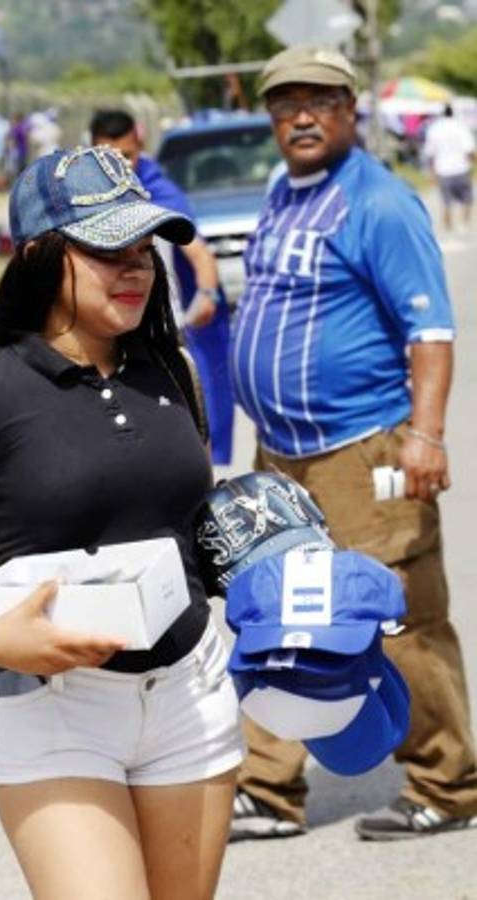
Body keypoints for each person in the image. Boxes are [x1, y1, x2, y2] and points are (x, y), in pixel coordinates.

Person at [0, 145, 243, 899]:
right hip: (56, 710)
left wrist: (266, 553)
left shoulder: (172, 367)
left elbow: (180, 526)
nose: (135, 268)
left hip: (190, 692)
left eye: (144, 248)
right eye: (108, 250)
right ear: (38, 257)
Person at [229, 45, 477, 841]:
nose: (301, 116)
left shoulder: (378, 202)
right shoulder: (282, 192)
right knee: (274, 616)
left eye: (320, 101)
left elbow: (429, 332)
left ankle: (446, 783)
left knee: (396, 615)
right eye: (285, 103)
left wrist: (425, 436)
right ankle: (268, 787)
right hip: (280, 450)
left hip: (362, 448)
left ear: (349, 110)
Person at [90, 109, 235, 465]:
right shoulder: (86, 195)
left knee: (187, 429)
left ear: (140, 145)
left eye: (127, 156)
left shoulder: (158, 194)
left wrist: (206, 295)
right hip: (107, 331)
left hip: (160, 330)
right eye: (108, 157)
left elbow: (200, 255)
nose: (120, 167)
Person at [423, 104, 475, 233]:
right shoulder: (461, 127)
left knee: (446, 201)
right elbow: (469, 149)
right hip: (461, 168)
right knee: (467, 199)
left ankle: (449, 226)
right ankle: (464, 223)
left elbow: (430, 153)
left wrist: (431, 172)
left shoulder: (434, 129)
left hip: (443, 169)